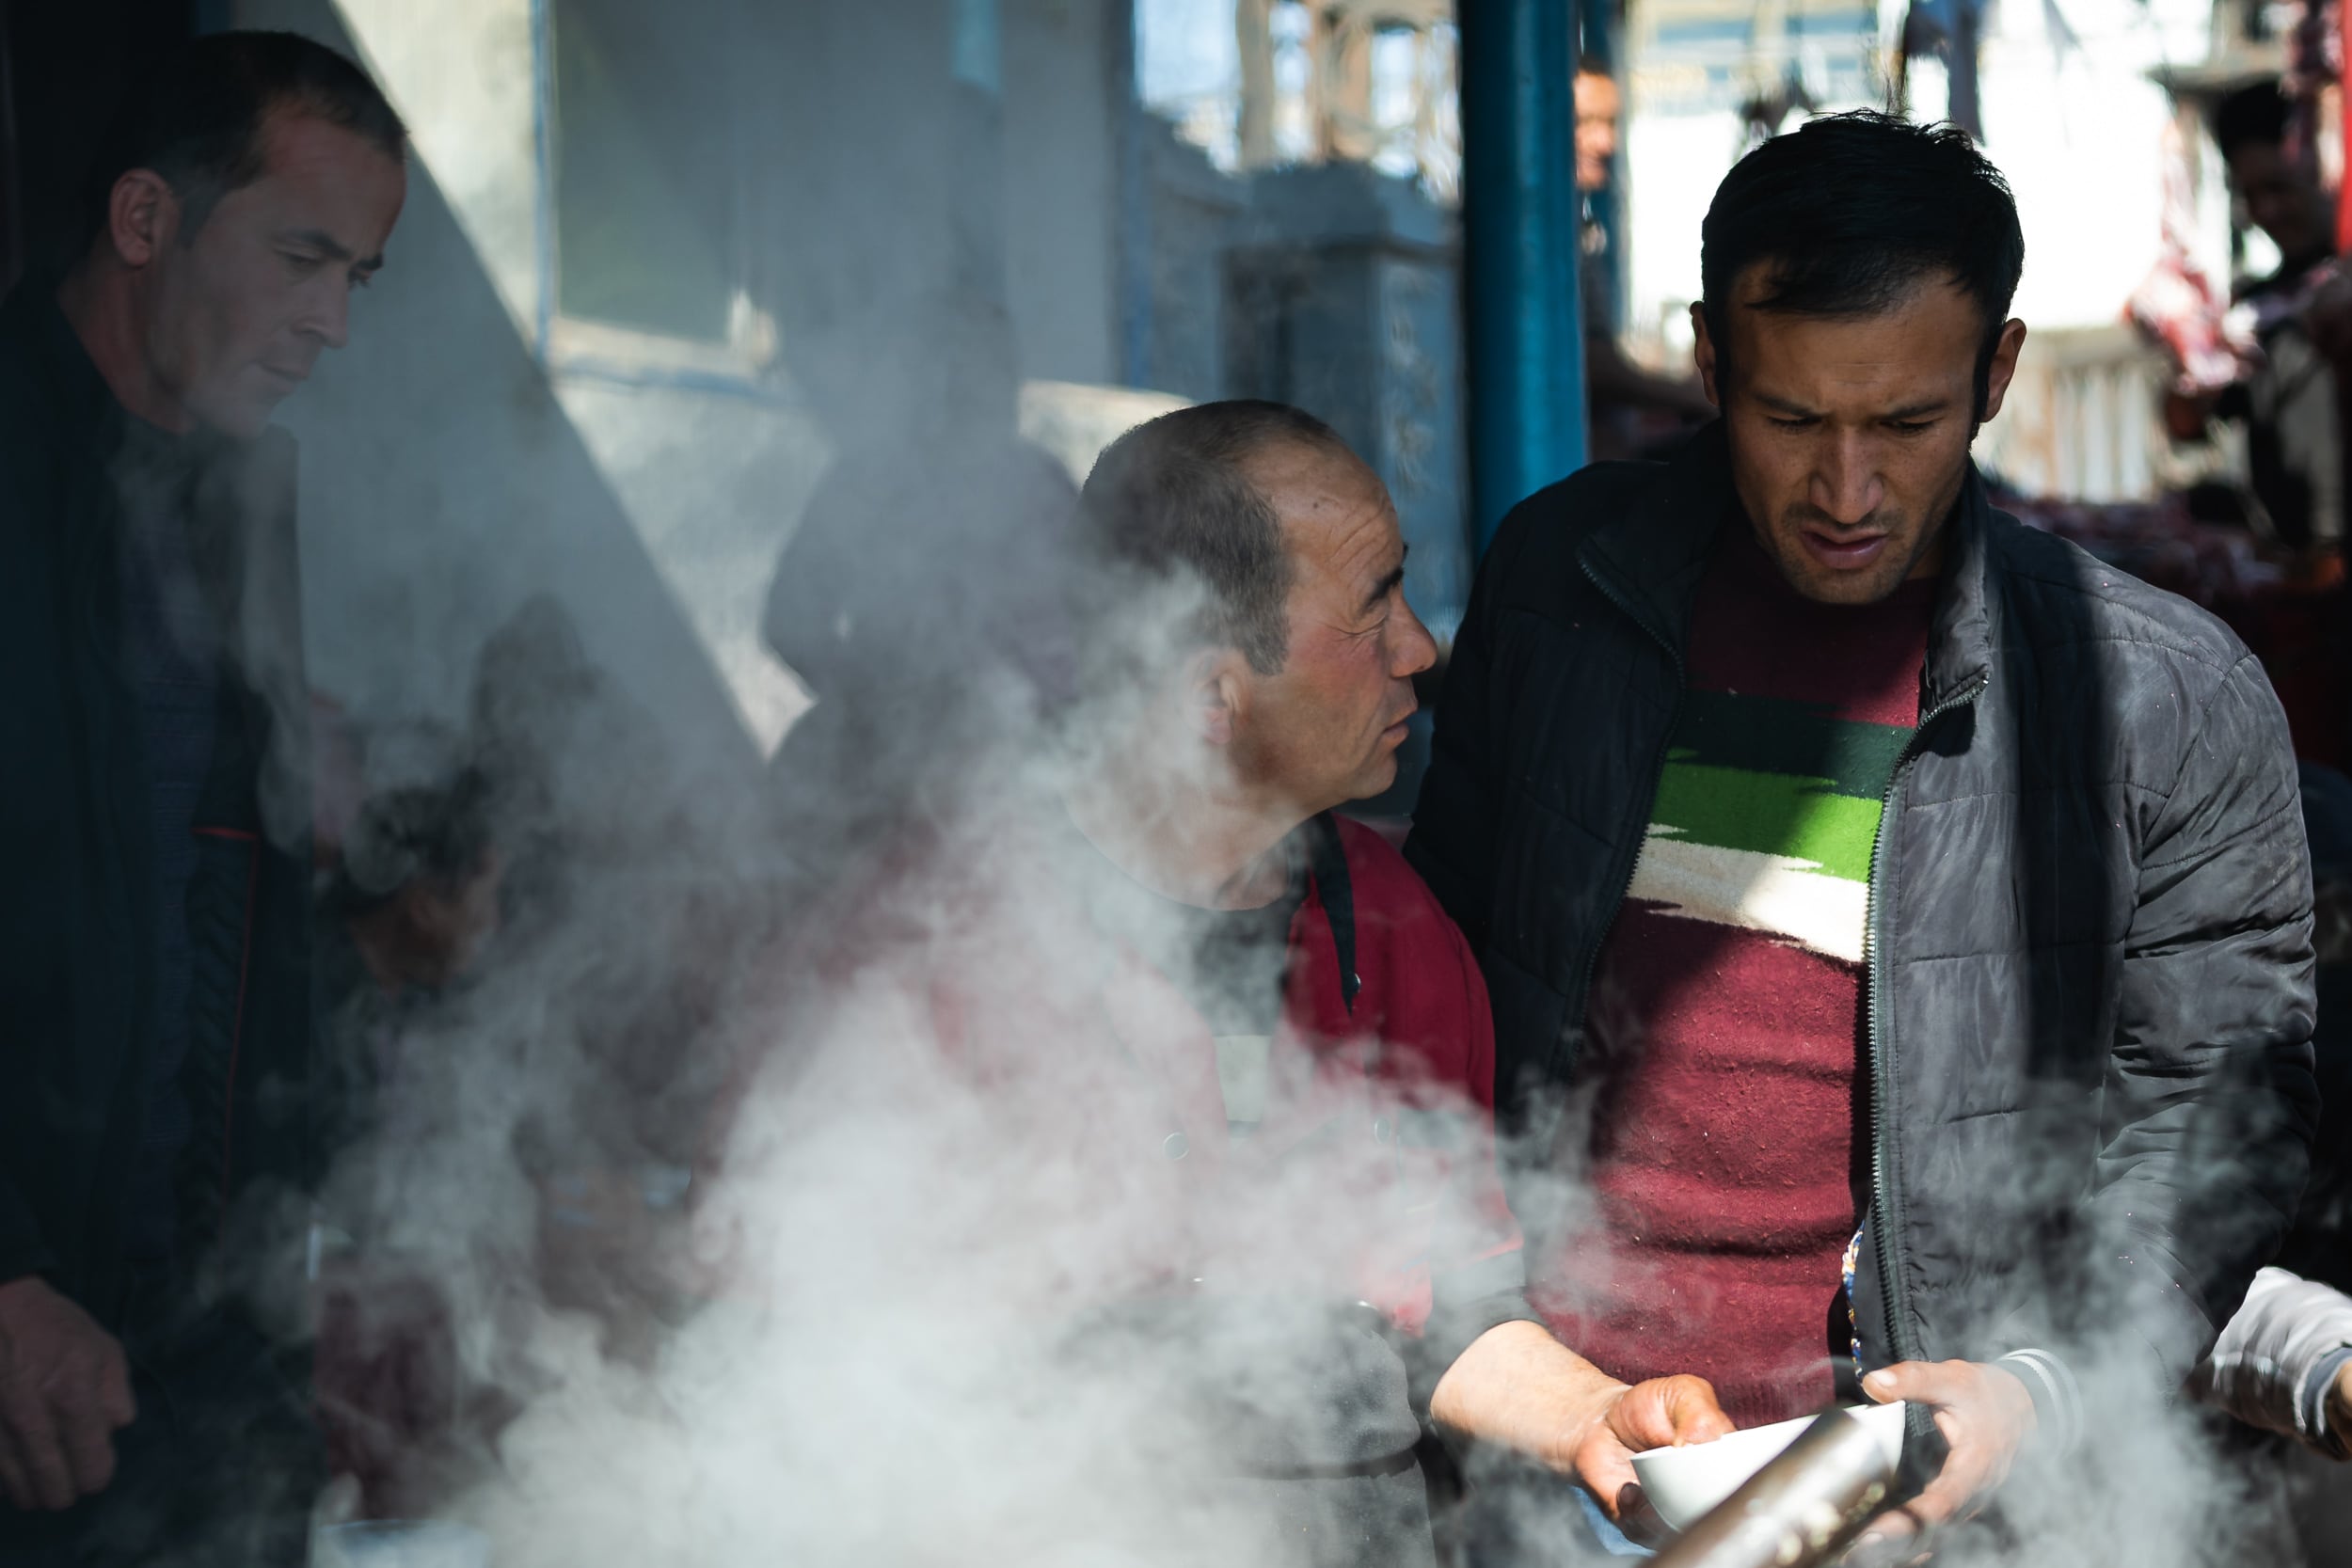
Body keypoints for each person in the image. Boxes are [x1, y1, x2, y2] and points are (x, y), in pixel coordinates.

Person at [1409, 112, 2318, 1553]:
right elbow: (1437, 995)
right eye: (1790, 420)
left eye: (1905, 423)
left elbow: (2214, 1131)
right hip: (1567, 1452)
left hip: (1929, 1490)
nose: (1846, 492)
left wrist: (2038, 1387)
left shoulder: (2164, 699)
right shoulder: (1558, 583)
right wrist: (1504, 1358)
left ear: (1998, 372)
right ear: (1712, 359)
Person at [732, 402, 1734, 1565]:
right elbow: (814, 1384)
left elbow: (1445, 1303)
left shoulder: (1401, 931)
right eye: (1372, 610)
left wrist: (1590, 1418)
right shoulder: (922, 957)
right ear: (1213, 691)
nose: (1418, 648)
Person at [0, 33, 406, 1566]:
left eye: (360, 274)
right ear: (144, 222)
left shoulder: (240, 499)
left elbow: (221, 904)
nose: (335, 322)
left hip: (204, 1358)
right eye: (304, 256)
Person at [2166, 81, 2344, 578]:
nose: (2266, 212)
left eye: (2279, 188)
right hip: (2299, 572)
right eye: (2250, 195)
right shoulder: (2255, 308)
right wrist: (2190, 376)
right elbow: (2189, 428)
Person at [1574, 64, 1714, 462]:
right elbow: (1590, 365)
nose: (1606, 142)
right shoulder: (1544, 233)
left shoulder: (1577, 226)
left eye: (1610, 123)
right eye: (1586, 123)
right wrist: (1700, 397)